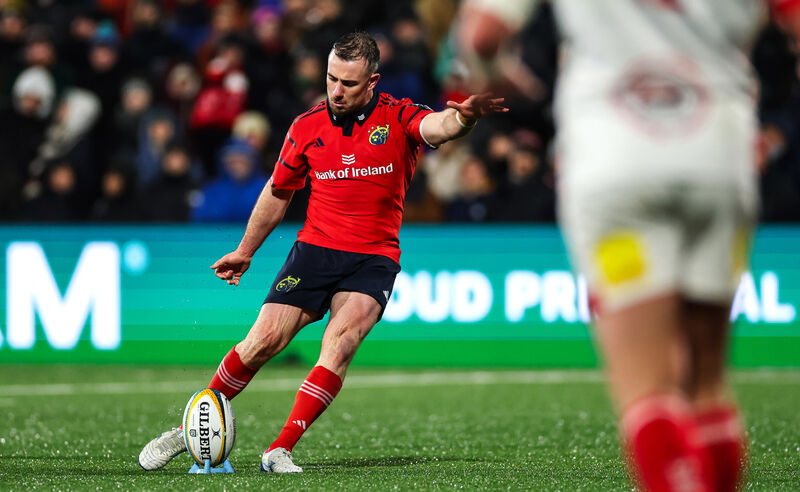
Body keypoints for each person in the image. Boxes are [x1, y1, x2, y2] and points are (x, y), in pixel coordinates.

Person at [459, 1, 800, 491]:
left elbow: (482, 35)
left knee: (648, 391)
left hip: (616, 155)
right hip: (717, 150)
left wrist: (499, 78)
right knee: (706, 385)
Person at [138, 31, 507, 473]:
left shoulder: (399, 115)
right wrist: (245, 250)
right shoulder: (305, 127)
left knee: (341, 342)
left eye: (348, 83)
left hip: (373, 258)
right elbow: (278, 192)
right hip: (314, 250)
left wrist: (463, 117)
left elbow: (439, 126)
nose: (336, 90)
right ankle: (191, 429)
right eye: (331, 79)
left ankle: (280, 449)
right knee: (262, 342)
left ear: (372, 82)